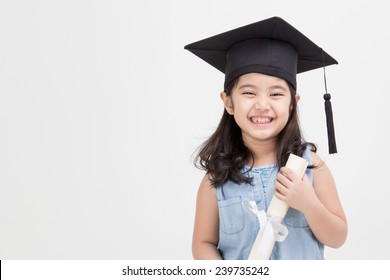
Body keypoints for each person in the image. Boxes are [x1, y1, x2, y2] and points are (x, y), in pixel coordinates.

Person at [184, 17, 347, 260]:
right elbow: (203, 242)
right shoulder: (217, 178)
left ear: (293, 104)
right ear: (228, 102)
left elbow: (338, 237)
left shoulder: (311, 167)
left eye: (276, 93)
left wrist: (308, 202)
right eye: (249, 93)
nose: (262, 104)